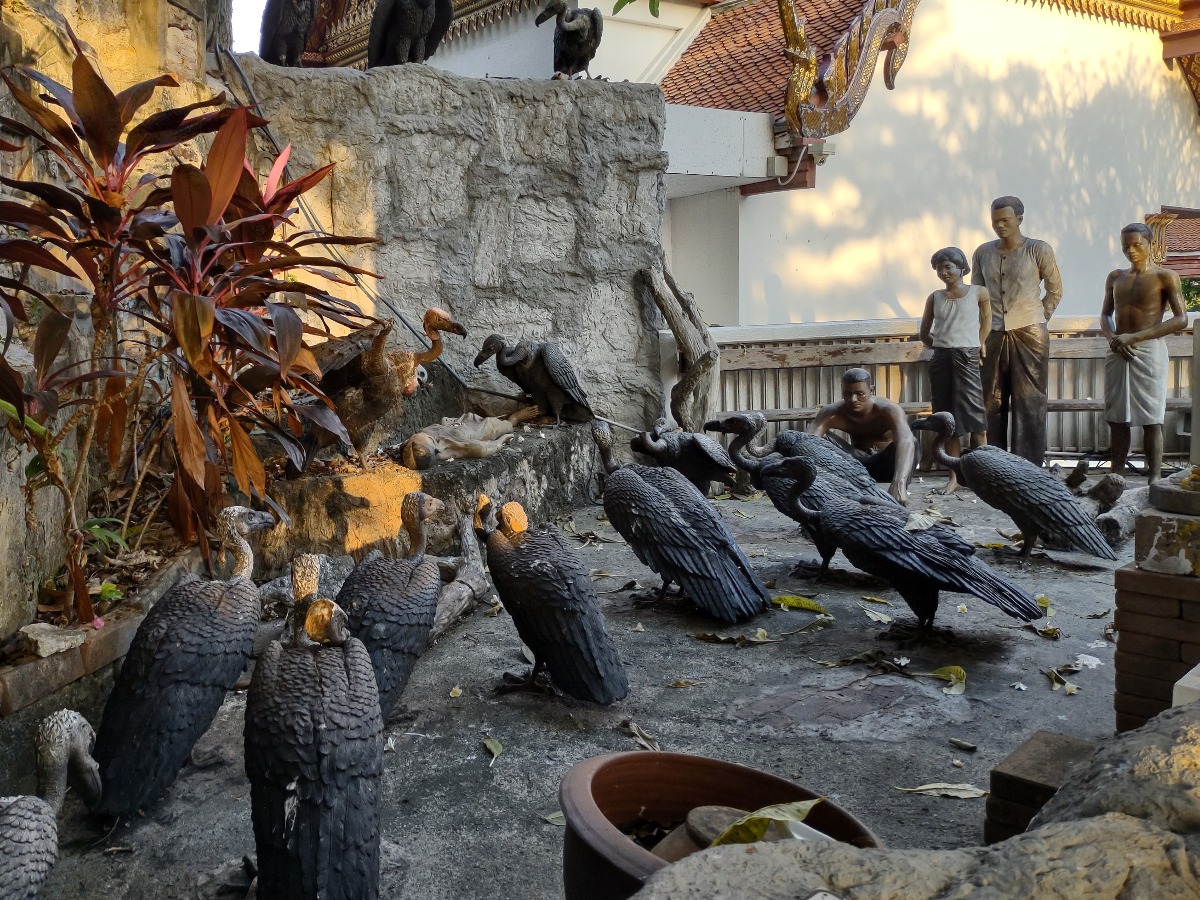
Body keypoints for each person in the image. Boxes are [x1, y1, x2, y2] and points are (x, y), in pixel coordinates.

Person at [971, 196, 1063, 467]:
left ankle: (1028, 467)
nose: (999, 225)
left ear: (1019, 219)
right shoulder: (983, 253)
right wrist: (980, 333)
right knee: (990, 399)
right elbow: (977, 295)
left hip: (1030, 332)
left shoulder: (1038, 249)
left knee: (1029, 400)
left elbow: (1055, 290)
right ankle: (993, 465)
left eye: (1005, 220)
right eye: (995, 221)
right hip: (991, 333)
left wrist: (1039, 317)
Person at [1100, 222, 1188, 483]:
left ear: (1151, 244)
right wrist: (1113, 339)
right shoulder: (1115, 277)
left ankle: (1155, 478)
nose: (1131, 250)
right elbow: (1105, 314)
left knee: (1151, 418)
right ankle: (1116, 475)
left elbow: (1181, 319)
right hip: (1119, 349)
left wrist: (1136, 337)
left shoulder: (1165, 276)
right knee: (1117, 417)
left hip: (1148, 350)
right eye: (1126, 246)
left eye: (1137, 245)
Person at [919, 247, 991, 494]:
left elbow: (987, 321)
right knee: (947, 420)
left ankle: (985, 476)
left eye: (948, 267)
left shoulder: (979, 293)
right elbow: (924, 332)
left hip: (968, 358)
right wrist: (942, 346)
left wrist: (979, 343)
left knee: (976, 418)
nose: (943, 272)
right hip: (942, 360)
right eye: (939, 268)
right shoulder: (934, 297)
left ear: (962, 268)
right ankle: (955, 477)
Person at [808, 368, 917, 506]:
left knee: (911, 441)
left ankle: (899, 489)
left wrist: (899, 482)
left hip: (886, 466)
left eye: (860, 394)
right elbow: (806, 441)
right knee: (816, 440)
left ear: (871, 391)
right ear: (842, 390)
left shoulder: (889, 410)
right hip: (855, 467)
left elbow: (906, 441)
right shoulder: (832, 412)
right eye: (848, 394)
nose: (853, 399)